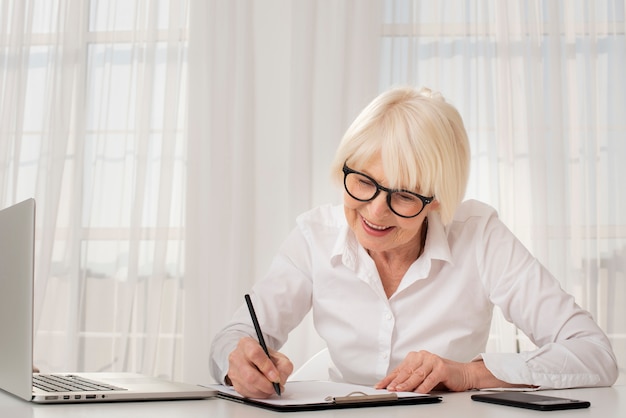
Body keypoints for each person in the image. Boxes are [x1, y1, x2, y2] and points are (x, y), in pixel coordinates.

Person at [209, 86, 618, 399]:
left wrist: (468, 373)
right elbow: (235, 336)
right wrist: (240, 362)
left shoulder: (479, 235)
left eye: (403, 195)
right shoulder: (314, 236)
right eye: (364, 182)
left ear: (437, 199)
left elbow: (595, 355)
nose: (375, 212)